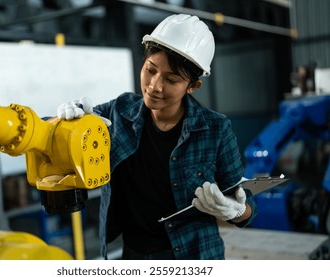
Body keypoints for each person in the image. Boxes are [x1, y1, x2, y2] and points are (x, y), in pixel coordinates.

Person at [56, 14, 258, 260]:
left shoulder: (215, 129)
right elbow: (80, 122)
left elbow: (247, 209)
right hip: (135, 255)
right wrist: (67, 118)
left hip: (196, 257)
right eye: (150, 70)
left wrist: (234, 210)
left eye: (171, 79)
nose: (154, 85)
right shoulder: (118, 112)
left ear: (192, 86)